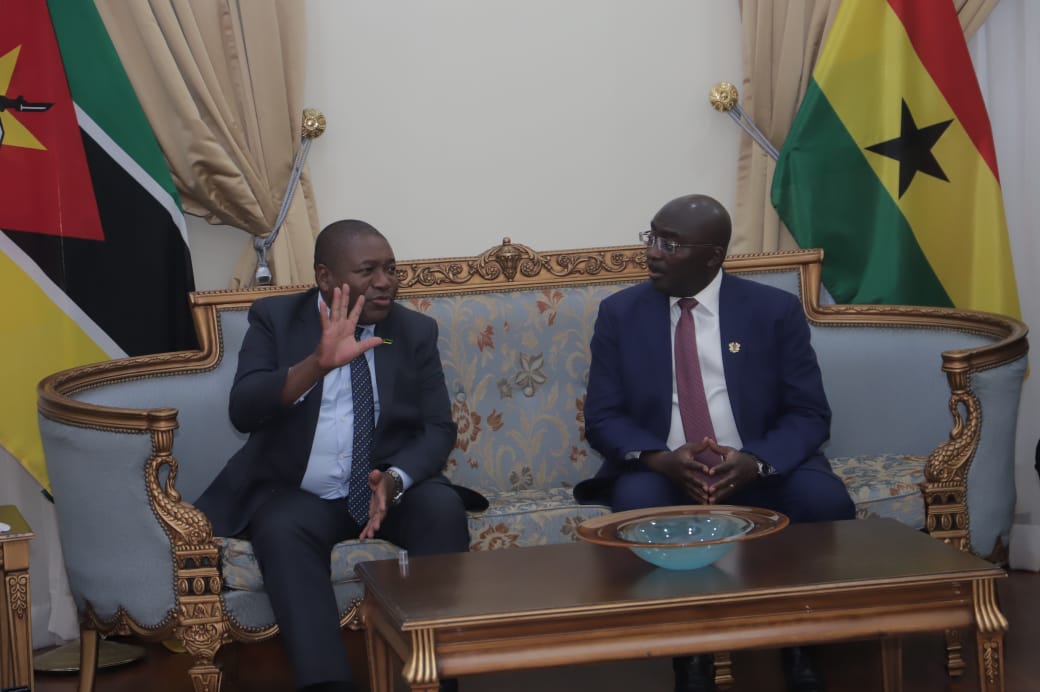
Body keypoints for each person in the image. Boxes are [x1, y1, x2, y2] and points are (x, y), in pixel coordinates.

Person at [574, 194, 855, 692]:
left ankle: (802, 642)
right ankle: (691, 657)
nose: (653, 252)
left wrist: (756, 462)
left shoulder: (773, 311)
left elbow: (810, 414)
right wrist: (659, 459)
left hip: (759, 466)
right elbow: (603, 417)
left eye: (670, 243)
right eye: (652, 237)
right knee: (636, 501)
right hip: (667, 472)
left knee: (824, 499)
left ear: (712, 257)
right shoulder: (620, 313)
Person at [195, 220, 484, 692]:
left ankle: (435, 679)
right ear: (326, 278)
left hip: (385, 488)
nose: (385, 281)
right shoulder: (276, 319)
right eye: (368, 270)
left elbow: (437, 428)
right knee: (281, 529)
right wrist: (316, 365)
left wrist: (394, 479)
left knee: (441, 508)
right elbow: (243, 410)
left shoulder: (412, 331)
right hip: (299, 494)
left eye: (391, 269)